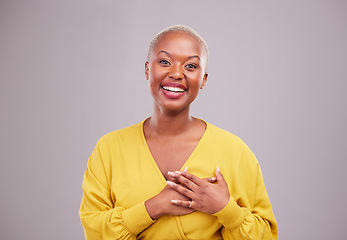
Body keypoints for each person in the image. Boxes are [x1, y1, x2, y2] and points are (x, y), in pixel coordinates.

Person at [79, 25, 278, 240]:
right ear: (147, 69)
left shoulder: (234, 151)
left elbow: (264, 235)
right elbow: (95, 232)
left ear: (203, 79)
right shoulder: (109, 148)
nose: (176, 73)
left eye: (191, 65)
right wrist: (154, 207)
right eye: (164, 62)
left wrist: (225, 208)